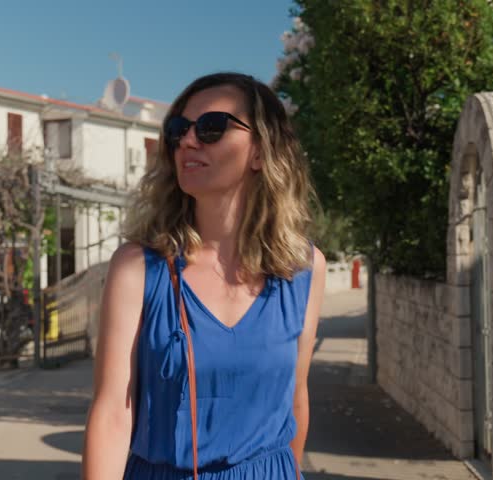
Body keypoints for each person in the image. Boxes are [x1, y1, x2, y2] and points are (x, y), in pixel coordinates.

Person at [82, 72, 325, 479]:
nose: (188, 141)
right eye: (179, 130)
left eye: (212, 128)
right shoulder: (139, 268)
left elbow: (295, 399)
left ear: (260, 153)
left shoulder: (303, 270)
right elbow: (112, 415)